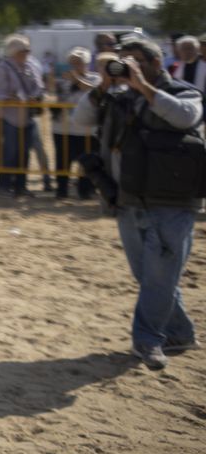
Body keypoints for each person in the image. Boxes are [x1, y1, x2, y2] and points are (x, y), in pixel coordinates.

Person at [73, 37, 202, 370]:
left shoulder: (184, 92)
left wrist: (144, 87)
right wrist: (102, 85)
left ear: (156, 63)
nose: (127, 67)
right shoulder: (115, 97)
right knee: (148, 276)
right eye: (123, 61)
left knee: (159, 276)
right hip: (126, 198)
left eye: (135, 61)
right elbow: (81, 118)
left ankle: (147, 341)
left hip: (171, 202)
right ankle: (181, 332)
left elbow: (185, 117)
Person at [0, 35, 47, 195]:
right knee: (10, 152)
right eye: (23, 51)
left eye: (27, 50)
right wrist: (14, 98)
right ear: (14, 51)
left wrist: (35, 96)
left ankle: (21, 186)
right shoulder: (2, 68)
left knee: (24, 152)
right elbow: (0, 93)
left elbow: (39, 86)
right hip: (10, 117)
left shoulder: (30, 66)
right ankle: (3, 185)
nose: (26, 53)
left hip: (27, 116)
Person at [50, 48, 98, 198]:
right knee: (62, 161)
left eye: (79, 63)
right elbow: (54, 97)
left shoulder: (96, 78)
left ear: (87, 64)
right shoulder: (63, 81)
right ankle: (61, 190)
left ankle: (85, 191)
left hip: (86, 130)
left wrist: (76, 79)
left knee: (87, 163)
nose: (75, 66)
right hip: (63, 128)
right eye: (72, 63)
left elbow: (93, 91)